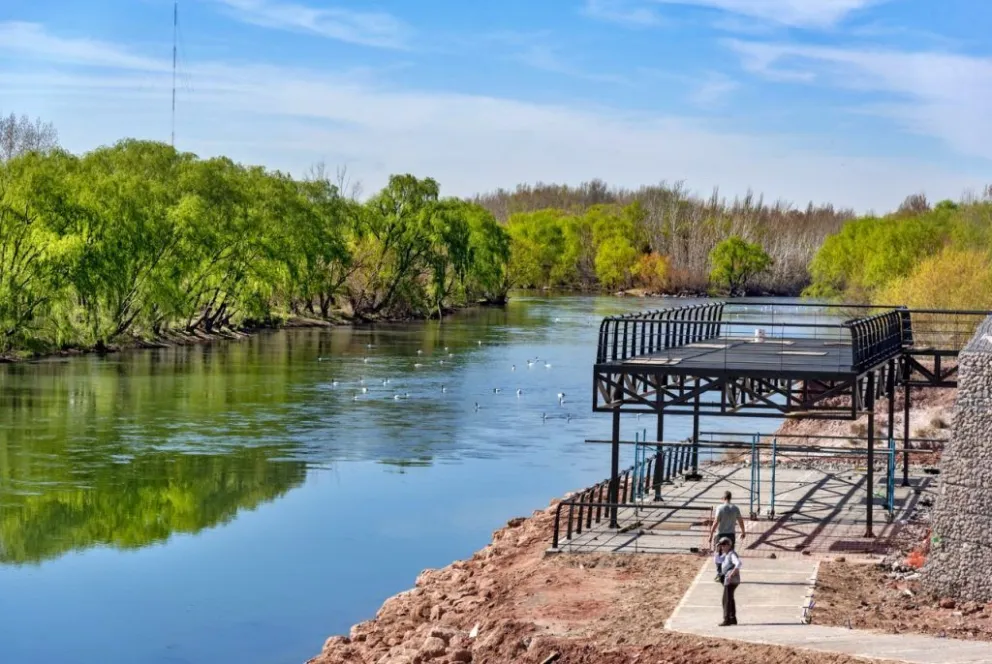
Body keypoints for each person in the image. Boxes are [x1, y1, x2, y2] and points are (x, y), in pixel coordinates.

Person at [709, 490, 746, 582]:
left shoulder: (720, 508)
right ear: (730, 498)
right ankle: (728, 573)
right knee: (729, 555)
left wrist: (711, 534)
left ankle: (719, 574)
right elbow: (740, 521)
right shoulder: (735, 508)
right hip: (731, 535)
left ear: (724, 498)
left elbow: (716, 522)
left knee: (718, 555)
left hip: (720, 534)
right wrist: (743, 531)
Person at [717, 536, 742, 626]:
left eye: (724, 545)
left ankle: (726, 619)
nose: (722, 547)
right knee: (730, 598)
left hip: (731, 580)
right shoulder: (726, 554)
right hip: (729, 580)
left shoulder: (731, 554)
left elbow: (738, 563)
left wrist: (733, 573)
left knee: (726, 599)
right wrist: (717, 551)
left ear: (729, 545)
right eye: (721, 545)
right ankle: (732, 618)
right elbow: (718, 560)